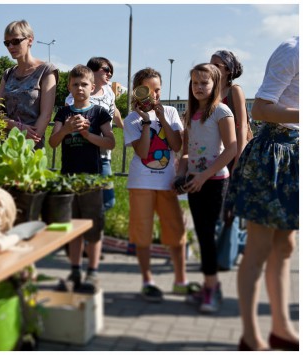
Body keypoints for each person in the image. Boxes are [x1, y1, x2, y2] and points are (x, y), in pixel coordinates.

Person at [226, 36, 299, 351]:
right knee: (258, 246)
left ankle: (281, 328)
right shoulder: (293, 50)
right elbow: (262, 109)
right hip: (273, 153)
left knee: (285, 246)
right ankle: (250, 336)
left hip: (293, 153)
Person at [123, 68, 197, 303]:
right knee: (142, 233)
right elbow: (143, 152)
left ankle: (181, 280)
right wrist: (146, 122)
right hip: (141, 182)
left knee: (176, 231)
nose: (154, 96)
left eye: (157, 90)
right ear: (138, 91)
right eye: (148, 90)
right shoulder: (132, 119)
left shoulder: (172, 112)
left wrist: (161, 117)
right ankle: (147, 281)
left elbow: (176, 146)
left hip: (167, 182)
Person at [176, 63, 236, 313]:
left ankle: (211, 289)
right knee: (201, 235)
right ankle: (209, 285)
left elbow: (232, 148)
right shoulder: (191, 114)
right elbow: (187, 151)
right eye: (195, 83)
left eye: (204, 82)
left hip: (213, 183)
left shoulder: (221, 112)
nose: (199, 87)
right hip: (194, 181)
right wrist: (182, 174)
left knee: (208, 235)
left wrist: (203, 177)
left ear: (215, 85)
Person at [49, 65, 115, 288]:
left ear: (92, 87)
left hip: (92, 178)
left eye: (84, 84)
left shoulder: (99, 113)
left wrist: (88, 135)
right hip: (69, 178)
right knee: (73, 225)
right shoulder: (64, 112)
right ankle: (76, 269)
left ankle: (93, 270)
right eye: (75, 84)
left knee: (93, 226)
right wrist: (67, 130)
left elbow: (111, 142)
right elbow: (53, 142)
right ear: (69, 87)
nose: (80, 88)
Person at [65, 57, 123, 211]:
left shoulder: (109, 91)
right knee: (81, 201)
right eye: (106, 69)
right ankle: (87, 229)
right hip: (80, 154)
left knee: (107, 200)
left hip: (103, 154)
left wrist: (124, 127)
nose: (109, 73)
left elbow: (114, 111)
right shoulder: (75, 96)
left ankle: (92, 227)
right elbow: (71, 116)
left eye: (111, 71)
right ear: (92, 71)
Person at [0, 20, 58, 149]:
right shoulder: (8, 74)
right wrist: (15, 125)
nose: (11, 47)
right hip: (5, 146)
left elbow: (46, 115)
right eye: (7, 43)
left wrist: (27, 146)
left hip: (31, 146)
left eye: (16, 41)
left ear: (30, 40)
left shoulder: (46, 70)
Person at [210, 50, 249, 171]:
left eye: (216, 65)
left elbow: (243, 125)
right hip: (215, 152)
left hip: (233, 150)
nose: (210, 68)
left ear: (228, 70)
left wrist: (239, 156)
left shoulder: (234, 91)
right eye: (209, 65)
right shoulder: (209, 93)